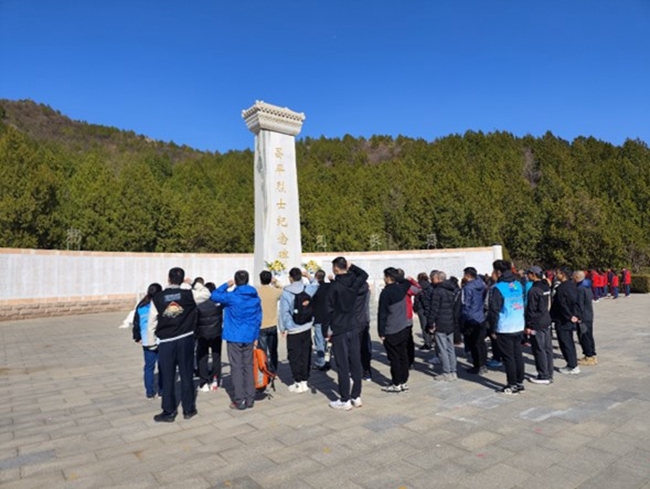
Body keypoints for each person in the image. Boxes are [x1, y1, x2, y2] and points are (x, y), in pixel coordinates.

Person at [147, 267, 210, 422]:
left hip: (166, 342)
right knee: (186, 374)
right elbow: (207, 293)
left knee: (168, 377)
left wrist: (151, 344)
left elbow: (151, 323)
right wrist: (193, 283)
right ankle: (188, 409)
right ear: (182, 280)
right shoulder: (188, 294)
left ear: (168, 279)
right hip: (185, 339)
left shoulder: (158, 297)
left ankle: (169, 411)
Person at [210, 270, 262, 410]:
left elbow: (214, 295)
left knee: (237, 367)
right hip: (249, 335)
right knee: (248, 366)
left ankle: (239, 399)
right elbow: (258, 318)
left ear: (236, 280)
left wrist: (226, 285)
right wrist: (256, 336)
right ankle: (250, 398)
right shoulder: (255, 297)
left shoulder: (232, 297)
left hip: (234, 336)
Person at [324, 257, 369, 410]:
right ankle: (356, 396)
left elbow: (328, 310)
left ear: (335, 269)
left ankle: (345, 399)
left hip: (339, 328)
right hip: (353, 325)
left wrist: (326, 331)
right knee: (355, 361)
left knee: (342, 365)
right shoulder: (354, 282)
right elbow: (364, 275)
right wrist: (352, 266)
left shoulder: (334, 287)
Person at [488, 260, 526, 394]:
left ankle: (512, 384)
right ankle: (519, 382)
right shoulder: (518, 284)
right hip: (518, 324)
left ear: (498, 272)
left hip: (505, 326)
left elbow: (494, 311)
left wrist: (492, 329)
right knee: (517, 355)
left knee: (508, 357)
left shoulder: (498, 288)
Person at [279, 268, 319, 393]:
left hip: (293, 329)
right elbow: (316, 283)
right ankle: (305, 381)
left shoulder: (286, 292)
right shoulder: (307, 289)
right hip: (306, 326)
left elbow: (284, 312)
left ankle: (297, 382)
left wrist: (282, 328)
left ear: (290, 278)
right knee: (306, 354)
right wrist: (308, 275)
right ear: (300, 277)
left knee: (294, 356)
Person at [378, 267, 413, 392]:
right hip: (403, 327)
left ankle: (396, 383)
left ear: (388, 278)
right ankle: (403, 381)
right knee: (403, 355)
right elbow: (407, 281)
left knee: (394, 358)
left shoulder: (386, 292)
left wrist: (381, 331)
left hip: (391, 329)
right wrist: (399, 278)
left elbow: (382, 313)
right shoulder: (401, 288)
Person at [132, 283, 163, 399]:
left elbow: (136, 323)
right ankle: (161, 390)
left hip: (146, 340)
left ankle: (149, 392)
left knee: (149, 367)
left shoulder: (141, 305)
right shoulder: (160, 304)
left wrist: (137, 337)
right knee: (162, 366)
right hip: (160, 339)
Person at [428, 271, 460, 381]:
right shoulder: (452, 289)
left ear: (438, 279)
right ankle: (453, 371)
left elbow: (434, 309)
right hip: (450, 321)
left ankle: (446, 372)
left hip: (441, 322)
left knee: (442, 349)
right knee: (450, 348)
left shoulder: (437, 291)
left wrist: (430, 323)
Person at [524, 266, 553, 385]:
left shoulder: (534, 290)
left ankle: (543, 375)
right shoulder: (545, 286)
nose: (527, 276)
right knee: (547, 349)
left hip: (537, 322)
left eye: (528, 274)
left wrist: (528, 325)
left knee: (539, 349)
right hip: (546, 319)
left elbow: (531, 309)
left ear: (533, 274)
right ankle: (549, 372)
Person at [551, 267, 580, 375]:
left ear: (563, 274)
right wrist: (575, 315)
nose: (556, 274)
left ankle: (572, 365)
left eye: (558, 273)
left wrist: (569, 316)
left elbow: (562, 305)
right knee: (569, 342)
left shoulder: (562, 288)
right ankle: (572, 363)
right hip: (570, 318)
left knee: (565, 343)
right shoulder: (572, 286)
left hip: (563, 319)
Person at [195, 282, 223, 392]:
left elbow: (196, 322)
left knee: (203, 358)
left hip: (202, 335)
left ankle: (204, 382)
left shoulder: (199, 305)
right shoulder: (218, 304)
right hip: (216, 333)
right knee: (216, 357)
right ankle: (215, 380)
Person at [461, 267, 487, 374]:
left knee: (473, 343)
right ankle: (483, 364)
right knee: (481, 343)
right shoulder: (482, 285)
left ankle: (477, 365)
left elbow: (465, 304)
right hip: (480, 316)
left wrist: (463, 317)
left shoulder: (467, 288)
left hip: (471, 317)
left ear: (467, 275)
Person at [256, 271, 282, 372]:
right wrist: (276, 283)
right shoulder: (275, 291)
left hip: (261, 325)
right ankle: (273, 370)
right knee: (273, 350)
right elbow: (283, 290)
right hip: (272, 324)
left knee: (262, 351)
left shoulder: (257, 292)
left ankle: (264, 370)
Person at [573, 271, 597, 366]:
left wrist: (577, 316)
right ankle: (592, 354)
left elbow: (579, 304)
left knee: (584, 337)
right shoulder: (587, 286)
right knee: (589, 336)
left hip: (583, 316)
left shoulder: (580, 289)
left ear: (576, 277)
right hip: (589, 314)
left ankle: (589, 356)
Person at [311, 270, 332, 372]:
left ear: (316, 277)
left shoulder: (315, 289)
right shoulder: (329, 286)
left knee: (319, 341)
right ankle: (327, 360)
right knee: (328, 341)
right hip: (329, 317)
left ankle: (321, 362)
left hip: (318, 317)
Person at [355, 281, 373, 381]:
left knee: (355, 348)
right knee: (365, 347)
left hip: (356, 322)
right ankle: (367, 372)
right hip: (365, 320)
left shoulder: (353, 294)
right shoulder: (367, 292)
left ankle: (356, 371)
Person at [414, 272, 434, 351]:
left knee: (423, 326)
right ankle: (432, 340)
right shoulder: (430, 285)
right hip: (430, 307)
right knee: (430, 324)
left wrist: (415, 308)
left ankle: (427, 343)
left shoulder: (418, 286)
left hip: (421, 308)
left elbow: (417, 299)